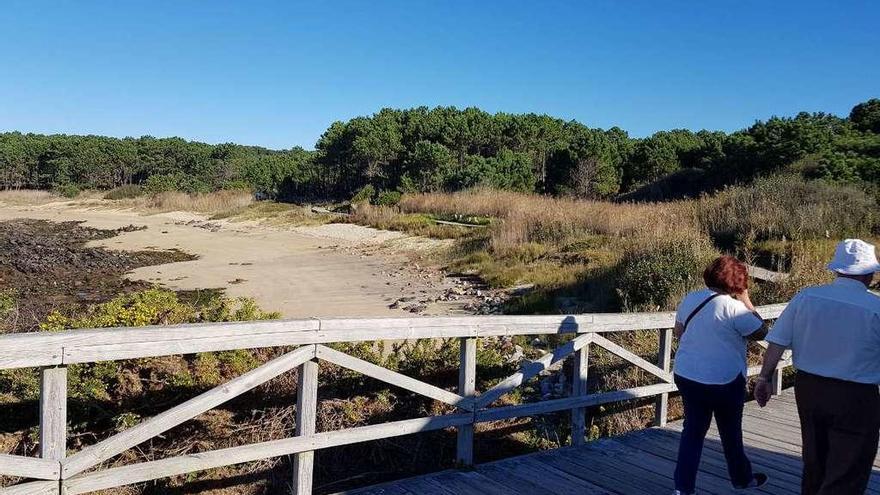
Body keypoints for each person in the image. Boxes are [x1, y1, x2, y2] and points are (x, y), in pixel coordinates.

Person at [755, 239, 880, 495]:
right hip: (857, 396)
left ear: (836, 269)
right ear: (869, 273)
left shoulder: (807, 297)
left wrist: (764, 378)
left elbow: (777, 342)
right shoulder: (875, 308)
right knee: (849, 466)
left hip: (809, 389)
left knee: (814, 458)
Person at [672, 256, 769, 495]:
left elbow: (678, 332)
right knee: (730, 433)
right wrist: (746, 298)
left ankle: (683, 489)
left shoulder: (691, 298)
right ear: (737, 282)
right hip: (725, 380)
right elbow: (761, 332)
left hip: (688, 375)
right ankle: (741, 479)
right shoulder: (735, 308)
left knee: (692, 432)